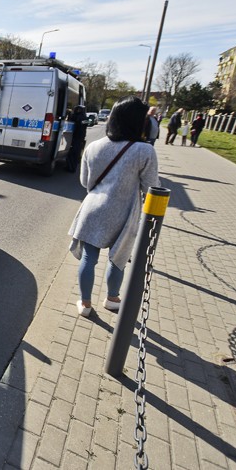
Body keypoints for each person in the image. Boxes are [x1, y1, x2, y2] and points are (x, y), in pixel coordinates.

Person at [68, 96, 159, 317]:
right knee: (118, 258)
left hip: (93, 209)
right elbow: (152, 188)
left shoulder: (94, 146)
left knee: (89, 258)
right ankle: (112, 298)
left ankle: (85, 304)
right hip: (124, 213)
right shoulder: (144, 151)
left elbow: (84, 181)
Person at [66, 105, 88, 172]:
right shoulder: (85, 118)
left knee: (71, 153)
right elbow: (86, 124)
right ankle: (73, 167)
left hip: (74, 137)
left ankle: (70, 167)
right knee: (76, 153)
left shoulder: (74, 117)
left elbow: (71, 123)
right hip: (80, 138)